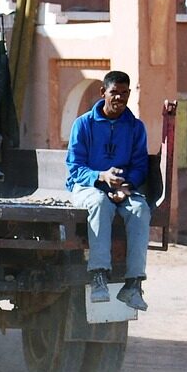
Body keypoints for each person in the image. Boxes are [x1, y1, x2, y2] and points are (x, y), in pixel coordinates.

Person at [65, 70, 151, 311]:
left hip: (122, 188)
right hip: (87, 187)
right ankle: (99, 276)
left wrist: (126, 187)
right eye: (114, 93)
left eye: (125, 93)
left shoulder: (135, 127)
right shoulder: (83, 124)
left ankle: (133, 285)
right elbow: (74, 168)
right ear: (103, 93)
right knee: (100, 204)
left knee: (140, 209)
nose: (119, 99)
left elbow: (140, 164)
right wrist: (100, 177)